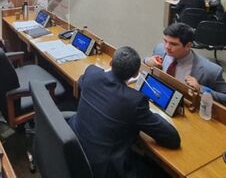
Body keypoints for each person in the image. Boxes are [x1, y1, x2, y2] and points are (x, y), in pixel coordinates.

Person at [69, 46, 180, 178]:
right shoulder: (134, 101)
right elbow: (173, 139)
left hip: (75, 147)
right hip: (104, 168)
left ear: (111, 63)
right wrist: (151, 114)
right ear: (135, 74)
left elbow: (82, 83)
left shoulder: (92, 73)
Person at [144, 23, 226, 107]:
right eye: (165, 41)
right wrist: (147, 61)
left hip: (185, 107)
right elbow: (145, 62)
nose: (167, 47)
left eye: (173, 44)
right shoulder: (160, 49)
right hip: (158, 97)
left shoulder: (210, 70)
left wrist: (200, 89)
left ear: (188, 46)